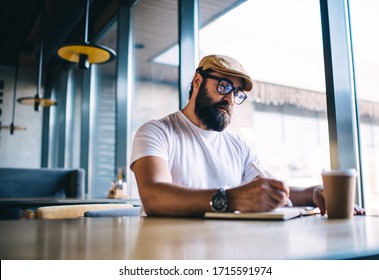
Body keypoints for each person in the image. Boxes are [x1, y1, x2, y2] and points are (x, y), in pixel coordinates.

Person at [130, 54, 365, 217]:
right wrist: (232, 199)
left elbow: (264, 189)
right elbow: (154, 197)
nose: (230, 99)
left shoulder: (238, 145)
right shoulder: (156, 132)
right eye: (223, 86)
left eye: (237, 93)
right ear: (198, 81)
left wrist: (312, 192)